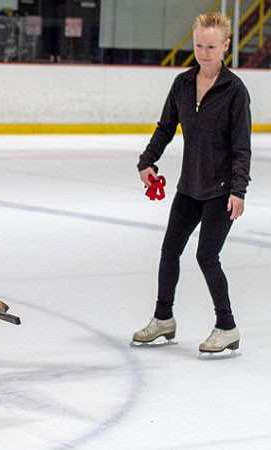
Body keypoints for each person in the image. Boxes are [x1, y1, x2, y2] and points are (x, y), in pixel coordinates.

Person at [131, 12, 252, 353]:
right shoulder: (183, 84)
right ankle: (163, 318)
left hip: (221, 190)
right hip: (189, 187)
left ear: (225, 46)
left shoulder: (234, 91)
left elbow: (242, 147)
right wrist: (147, 161)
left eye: (211, 46)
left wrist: (238, 190)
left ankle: (226, 326)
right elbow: (165, 127)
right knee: (170, 250)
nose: (203, 52)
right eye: (198, 45)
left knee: (206, 256)